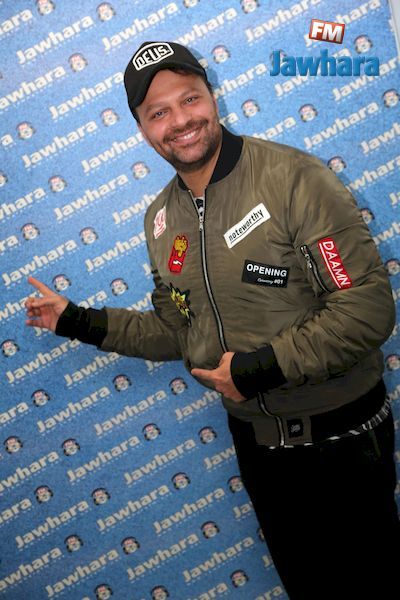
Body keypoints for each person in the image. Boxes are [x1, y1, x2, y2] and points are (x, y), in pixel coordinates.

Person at [25, 41, 399, 599]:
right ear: (142, 129)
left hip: (342, 443)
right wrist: (76, 321)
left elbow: (365, 308)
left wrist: (255, 370)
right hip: (260, 450)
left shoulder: (294, 178)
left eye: (190, 99)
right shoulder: (160, 220)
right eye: (159, 112)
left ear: (212, 96)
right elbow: (178, 330)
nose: (180, 121)